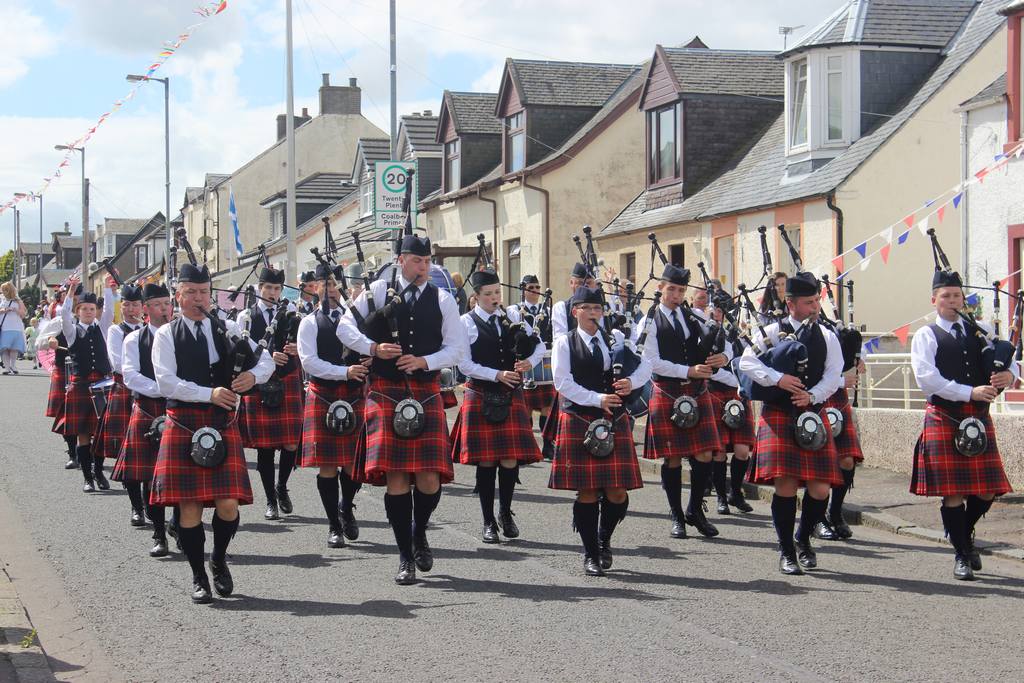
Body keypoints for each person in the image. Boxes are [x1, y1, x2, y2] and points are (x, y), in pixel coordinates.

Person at [337, 234, 465, 585]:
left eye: (427, 262)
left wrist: (426, 360)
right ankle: (405, 556)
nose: (424, 268)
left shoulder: (442, 299)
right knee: (396, 476)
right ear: (401, 260)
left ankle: (418, 530)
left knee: (428, 479)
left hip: (424, 389)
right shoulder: (378, 290)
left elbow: (457, 348)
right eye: (417, 261)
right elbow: (344, 326)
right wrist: (373, 347)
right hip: (385, 390)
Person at [151, 262, 274, 604]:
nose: (198, 298)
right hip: (184, 421)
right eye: (190, 292)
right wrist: (209, 393)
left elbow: (265, 361)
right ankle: (198, 576)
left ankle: (218, 558)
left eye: (203, 292)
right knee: (190, 508)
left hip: (221, 422)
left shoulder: (227, 327)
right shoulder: (166, 334)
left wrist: (253, 378)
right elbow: (166, 382)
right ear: (177, 296)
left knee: (228, 505)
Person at [909, 266, 1014, 581]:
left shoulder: (979, 329)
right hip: (945, 415)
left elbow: (1009, 359)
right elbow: (926, 379)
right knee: (953, 492)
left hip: (978, 416)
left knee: (988, 490)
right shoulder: (927, 335)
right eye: (946, 296)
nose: (952, 301)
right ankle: (961, 555)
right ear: (934, 300)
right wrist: (969, 391)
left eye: (956, 295)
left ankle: (963, 534)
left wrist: (1011, 375)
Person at [739, 271, 844, 575]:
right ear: (791, 303)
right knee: (785, 486)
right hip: (780, 413)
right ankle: (787, 550)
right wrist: (778, 379)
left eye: (816, 301)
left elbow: (834, 375)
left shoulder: (827, 336)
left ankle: (803, 539)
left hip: (813, 412)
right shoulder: (771, 331)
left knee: (821, 488)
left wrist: (811, 396)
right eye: (809, 302)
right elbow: (746, 362)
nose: (815, 307)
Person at [549, 286, 651, 576]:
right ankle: (591, 552)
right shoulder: (564, 342)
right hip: (580, 417)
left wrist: (632, 382)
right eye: (588, 309)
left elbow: (646, 365)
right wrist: (598, 399)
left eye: (598, 309)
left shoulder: (615, 338)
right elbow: (562, 383)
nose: (595, 314)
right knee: (589, 490)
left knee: (617, 492)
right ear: (575, 312)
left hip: (614, 419)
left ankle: (604, 538)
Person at [451, 269, 544, 543]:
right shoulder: (465, 323)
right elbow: (464, 364)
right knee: (488, 460)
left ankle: (505, 512)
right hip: (481, 391)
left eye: (497, 293)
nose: (495, 298)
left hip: (510, 393)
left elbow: (539, 346)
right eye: (489, 294)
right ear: (476, 296)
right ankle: (488, 520)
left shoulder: (512, 317)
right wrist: (497, 374)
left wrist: (530, 363)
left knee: (510, 458)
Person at [638, 265, 725, 539]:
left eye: (681, 290)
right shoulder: (649, 321)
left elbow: (724, 343)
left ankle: (694, 510)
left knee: (705, 454)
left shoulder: (693, 316)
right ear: (660, 288)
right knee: (672, 458)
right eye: (672, 289)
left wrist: (723, 359)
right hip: (667, 390)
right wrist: (687, 371)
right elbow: (651, 362)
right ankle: (676, 515)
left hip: (696, 390)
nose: (676, 295)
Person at [297, 264, 370, 548]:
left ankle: (345, 506)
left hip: (354, 394)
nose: (329, 289)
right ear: (314, 288)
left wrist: (370, 359)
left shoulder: (355, 319)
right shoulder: (309, 323)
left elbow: (369, 346)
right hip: (324, 394)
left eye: (333, 284)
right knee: (328, 466)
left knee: (354, 465)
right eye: (323, 284)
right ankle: (333, 525)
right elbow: (308, 363)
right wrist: (345, 372)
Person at [112, 282, 174, 558]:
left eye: (167, 304)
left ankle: (182, 527)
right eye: (158, 305)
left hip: (179, 410)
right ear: (145, 309)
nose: (164, 310)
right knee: (151, 478)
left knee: (179, 473)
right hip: (149, 409)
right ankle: (159, 534)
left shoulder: (180, 334)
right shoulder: (133, 339)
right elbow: (131, 376)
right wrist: (165, 387)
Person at [235, 267, 303, 520]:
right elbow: (241, 352)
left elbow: (304, 345)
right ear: (259, 287)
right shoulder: (246, 317)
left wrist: (296, 349)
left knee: (291, 443)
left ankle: (282, 486)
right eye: (269, 288)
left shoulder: (292, 313)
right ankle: (270, 499)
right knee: (264, 447)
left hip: (287, 379)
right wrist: (266, 356)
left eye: (277, 289)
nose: (273, 293)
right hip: (259, 383)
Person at [59, 275, 115, 493]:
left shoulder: (102, 328)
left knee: (100, 433)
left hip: (101, 384)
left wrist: (109, 290)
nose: (89, 312)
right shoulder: (72, 332)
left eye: (92, 309)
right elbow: (63, 314)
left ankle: (99, 472)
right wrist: (71, 292)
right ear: (78, 311)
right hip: (81, 386)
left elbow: (109, 311)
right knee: (83, 434)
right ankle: (87, 477)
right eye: (85, 309)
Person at [95, 283, 144, 509]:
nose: (132, 309)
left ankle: (149, 503)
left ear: (143, 307)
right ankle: (136, 506)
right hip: (124, 391)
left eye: (136, 304)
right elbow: (118, 363)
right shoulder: (116, 330)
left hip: (148, 393)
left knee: (148, 450)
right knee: (129, 450)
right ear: (121, 307)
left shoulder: (150, 330)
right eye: (127, 305)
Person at [704, 299, 755, 515]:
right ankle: (721, 497)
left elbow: (750, 360)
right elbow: (711, 369)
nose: (717, 313)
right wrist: (737, 381)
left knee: (742, 451)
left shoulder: (737, 334)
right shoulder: (704, 334)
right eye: (714, 308)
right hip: (716, 393)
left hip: (739, 395)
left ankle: (736, 492)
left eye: (721, 309)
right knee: (719, 453)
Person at [815, 357, 866, 540]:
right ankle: (817, 518)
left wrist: (858, 361)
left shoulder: (835, 331)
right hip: (813, 397)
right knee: (819, 463)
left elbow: (852, 352)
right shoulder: (803, 333)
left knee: (847, 460)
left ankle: (835, 513)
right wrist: (841, 381)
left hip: (838, 398)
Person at [507, 274, 554, 432]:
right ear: (523, 290)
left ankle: (547, 443)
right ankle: (526, 440)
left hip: (546, 361)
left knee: (547, 404)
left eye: (537, 287)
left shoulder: (548, 310)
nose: (535, 290)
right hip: (525, 362)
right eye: (530, 288)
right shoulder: (514, 310)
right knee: (526, 405)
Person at [0, 282, 27, 374]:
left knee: (14, 348)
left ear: (10, 290)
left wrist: (16, 310)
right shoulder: (1, 299)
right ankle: (7, 368)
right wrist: (3, 310)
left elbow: (23, 314)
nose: (3, 292)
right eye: (2, 289)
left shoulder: (18, 301)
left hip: (16, 327)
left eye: (5, 290)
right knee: (4, 348)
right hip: (4, 328)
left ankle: (13, 365)